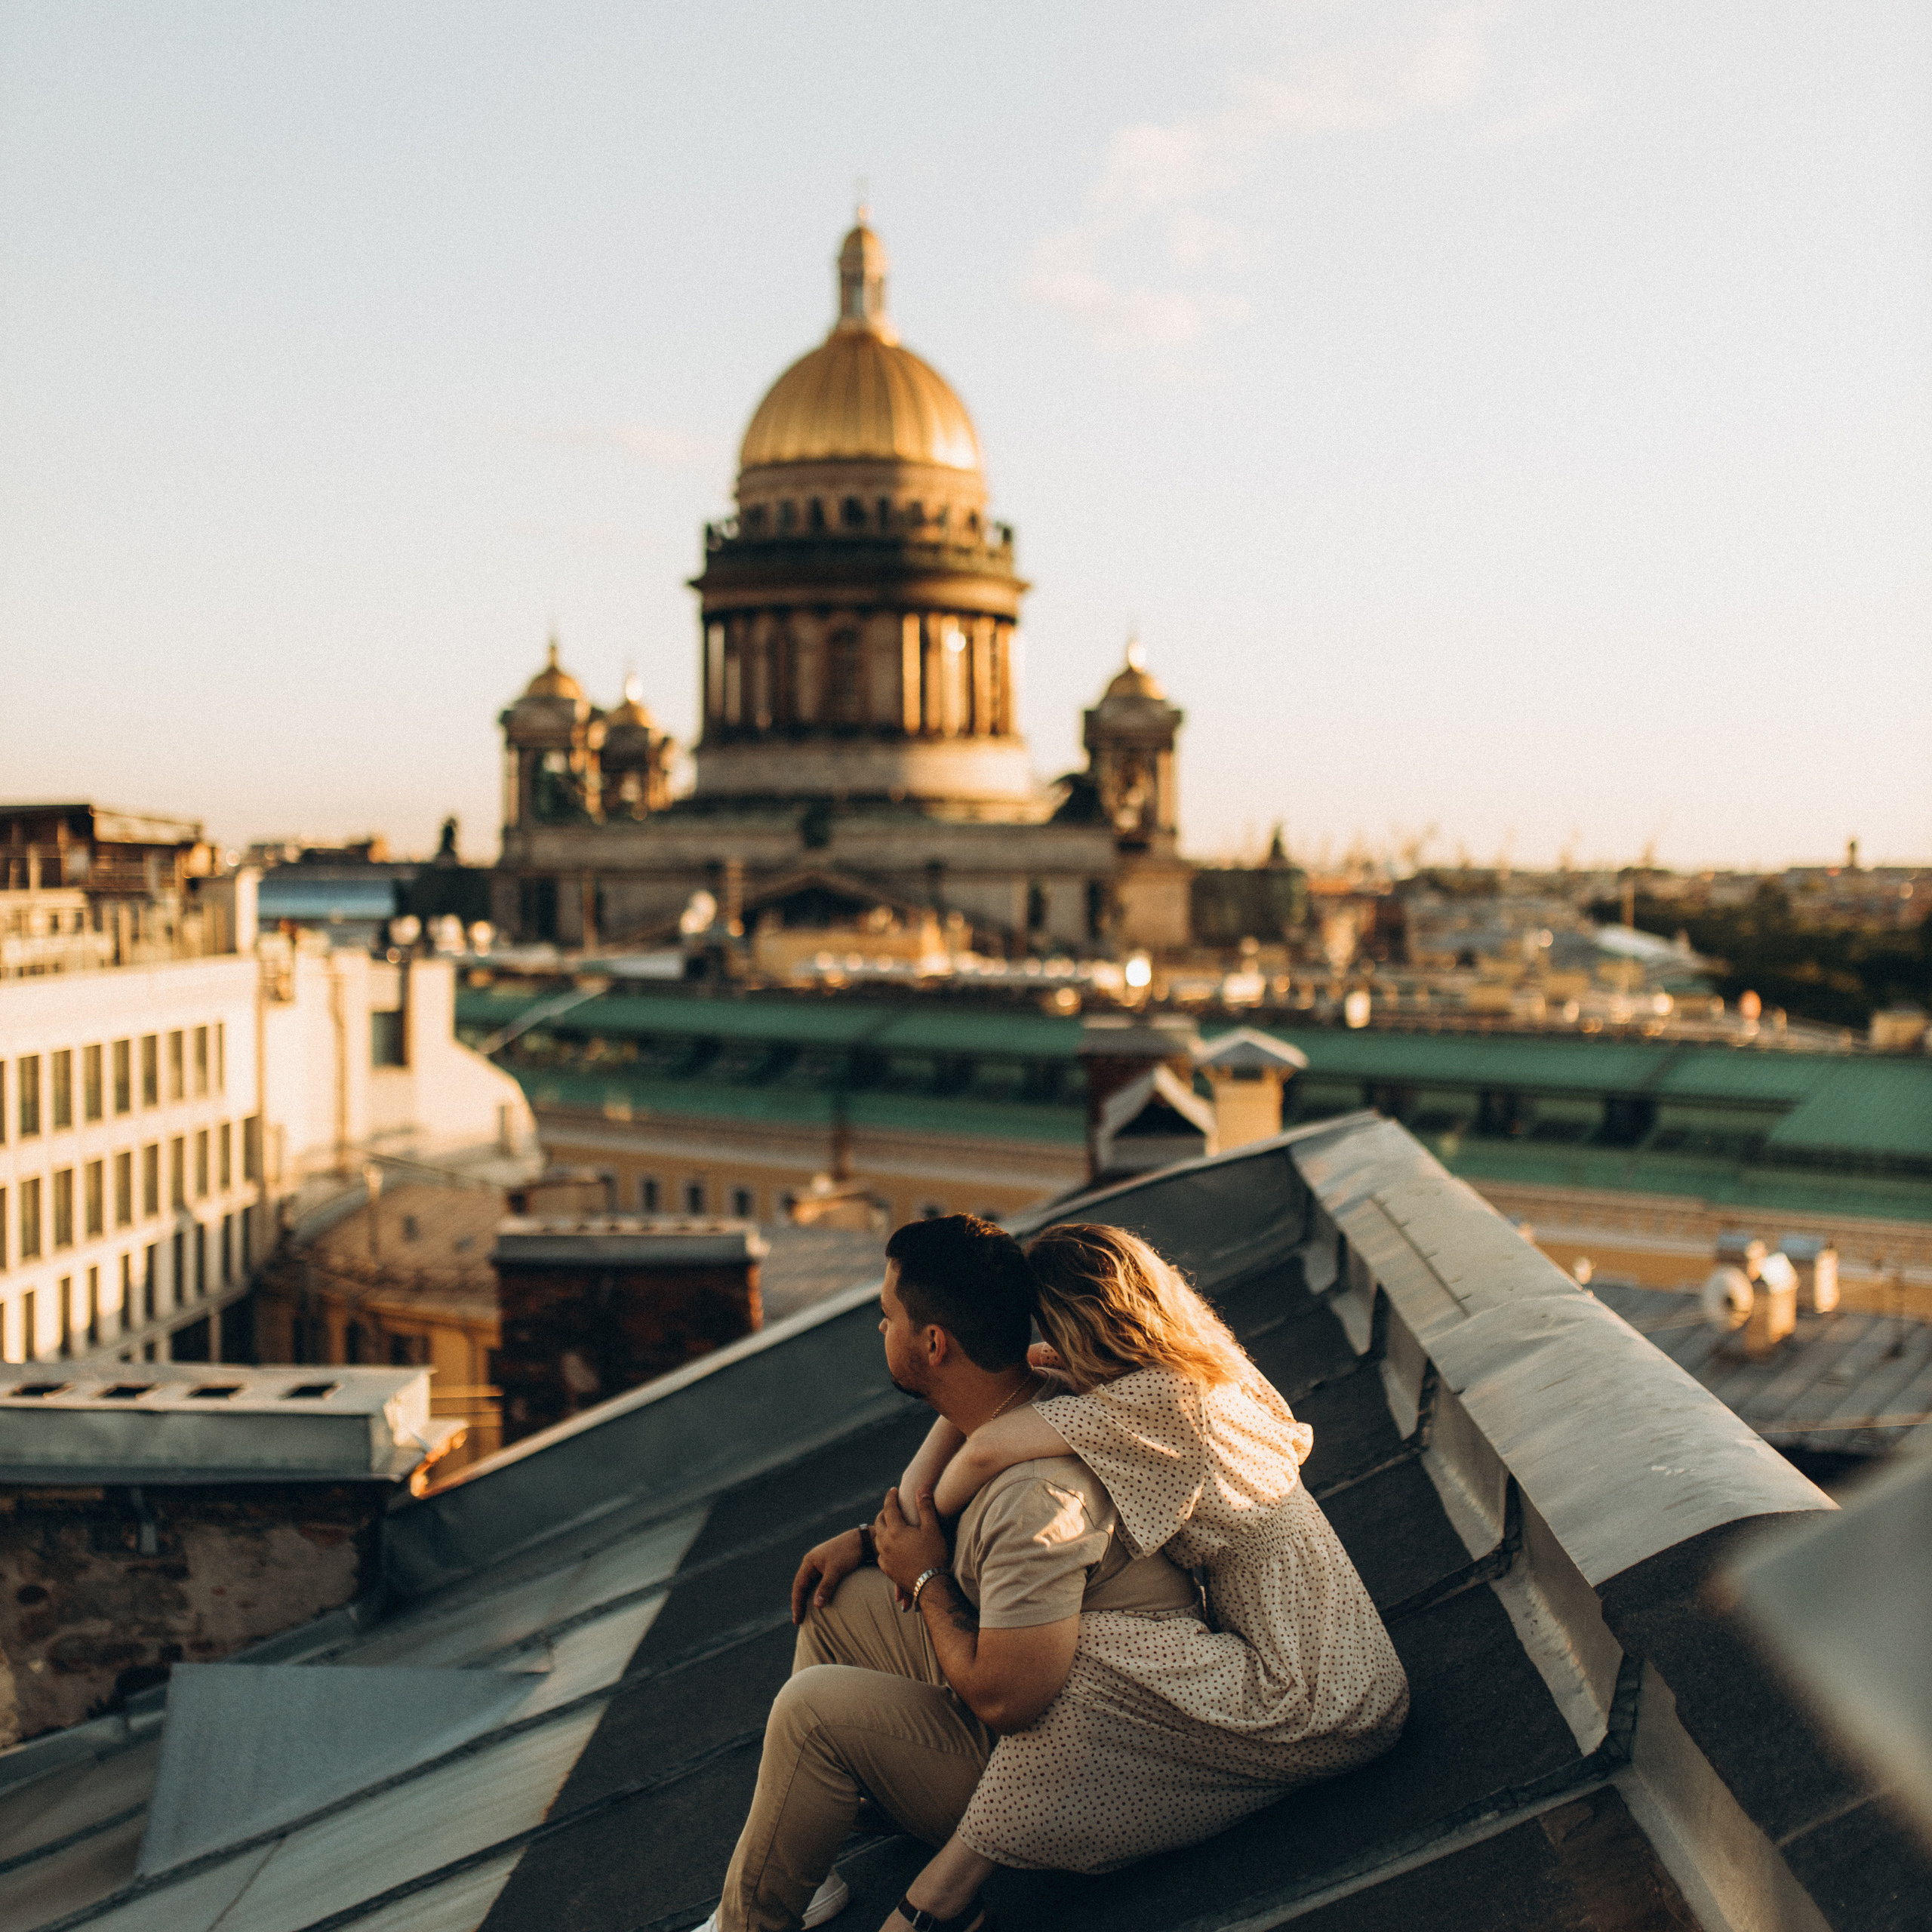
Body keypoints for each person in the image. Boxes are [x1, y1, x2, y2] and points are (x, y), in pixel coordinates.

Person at [706, 1215, 1201, 1932]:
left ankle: (750, 1920)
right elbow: (938, 1521)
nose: (881, 1331)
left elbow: (1010, 1704)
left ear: (933, 1343)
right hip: (1022, 1681)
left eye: (888, 1317)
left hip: (1053, 1774)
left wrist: (928, 1580)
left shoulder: (1038, 1496)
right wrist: (870, 1544)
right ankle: (805, 1855)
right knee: (837, 1599)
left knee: (809, 1711)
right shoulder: (1028, 1398)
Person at [896, 1220, 1409, 1878]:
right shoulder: (1200, 1365)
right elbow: (1018, 1378)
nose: (1042, 1344)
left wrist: (919, 1529)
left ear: (1074, 1328)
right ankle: (963, 1865)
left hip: (1315, 1701)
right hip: (1347, 1666)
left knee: (1086, 1649)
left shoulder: (1155, 1402)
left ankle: (958, 1872)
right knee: (1079, 1648)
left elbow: (989, 1446)